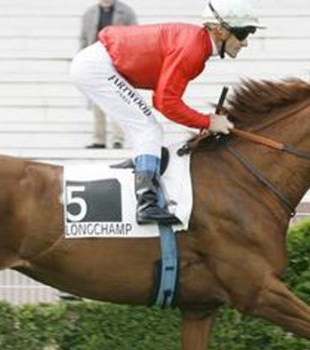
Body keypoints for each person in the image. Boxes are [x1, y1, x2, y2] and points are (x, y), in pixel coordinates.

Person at [70, 0, 264, 225]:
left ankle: (141, 174)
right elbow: (165, 102)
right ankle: (146, 203)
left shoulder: (197, 45)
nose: (245, 42)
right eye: (243, 33)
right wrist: (208, 121)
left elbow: (162, 99)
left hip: (98, 64)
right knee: (148, 129)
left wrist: (207, 121)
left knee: (146, 128)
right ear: (220, 31)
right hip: (97, 68)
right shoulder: (193, 49)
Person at [79, 0, 138, 149]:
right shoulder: (89, 13)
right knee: (97, 101)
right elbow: (83, 39)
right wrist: (83, 59)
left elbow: (136, 36)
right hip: (95, 62)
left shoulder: (126, 12)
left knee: (117, 100)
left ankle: (118, 138)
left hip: (118, 62)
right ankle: (99, 139)